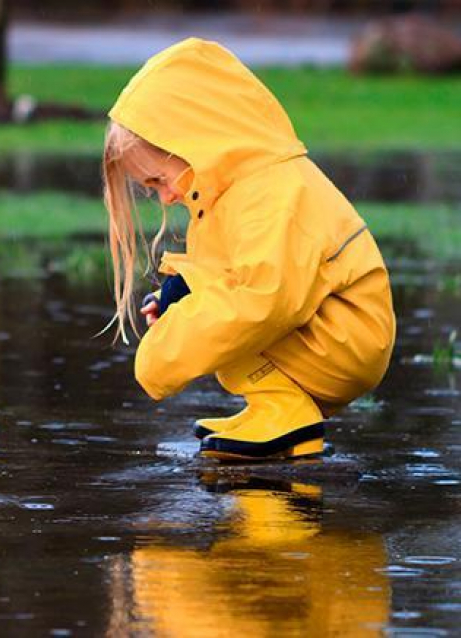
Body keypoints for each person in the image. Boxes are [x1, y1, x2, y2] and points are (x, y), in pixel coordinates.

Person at [101, 38, 396, 461]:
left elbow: (265, 301)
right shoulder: (235, 191)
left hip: (344, 344)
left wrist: (163, 354)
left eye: (159, 181)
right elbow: (230, 271)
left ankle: (287, 415)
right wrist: (179, 295)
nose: (165, 198)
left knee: (229, 325)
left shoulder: (270, 192)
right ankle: (274, 408)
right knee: (216, 317)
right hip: (329, 335)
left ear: (192, 143)